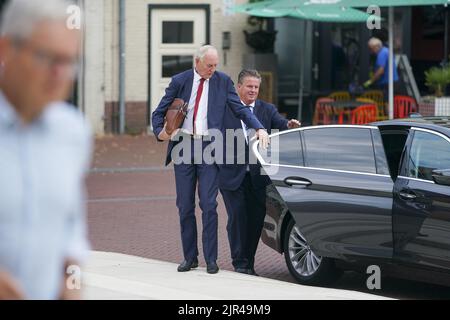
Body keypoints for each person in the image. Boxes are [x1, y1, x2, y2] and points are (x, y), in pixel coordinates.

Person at [0, 0, 91, 300]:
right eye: (46, 58)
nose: (59, 73)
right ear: (5, 49)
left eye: (69, 62)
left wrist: (71, 281)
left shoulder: (73, 132)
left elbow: (70, 231)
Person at [152, 46, 269, 274]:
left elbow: (240, 109)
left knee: (209, 204)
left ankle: (211, 259)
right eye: (209, 66)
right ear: (197, 61)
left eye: (216, 66)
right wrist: (161, 133)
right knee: (185, 205)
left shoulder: (223, 82)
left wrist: (259, 127)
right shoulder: (180, 81)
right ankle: (190, 258)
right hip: (184, 145)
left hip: (210, 147)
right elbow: (159, 112)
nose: (212, 70)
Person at [219, 69, 300, 276]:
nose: (253, 90)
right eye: (249, 86)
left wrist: (289, 125)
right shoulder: (225, 109)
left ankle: (248, 263)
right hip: (231, 175)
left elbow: (281, 126)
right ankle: (239, 262)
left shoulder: (267, 109)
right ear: (238, 87)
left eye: (256, 87)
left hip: (258, 177)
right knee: (237, 216)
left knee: (255, 220)